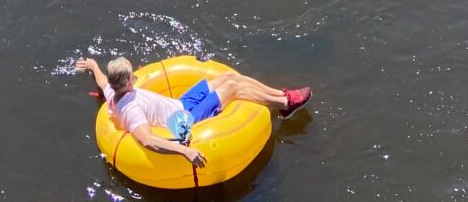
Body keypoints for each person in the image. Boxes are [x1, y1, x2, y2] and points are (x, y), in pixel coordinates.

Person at [76, 57, 309, 169]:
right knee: (234, 89)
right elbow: (147, 140)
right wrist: (183, 151)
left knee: (229, 78)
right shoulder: (131, 108)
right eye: (132, 74)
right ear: (127, 80)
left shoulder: (112, 91)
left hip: (178, 104)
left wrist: (93, 66)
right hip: (182, 120)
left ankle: (282, 96)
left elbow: (102, 80)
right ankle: (284, 106)